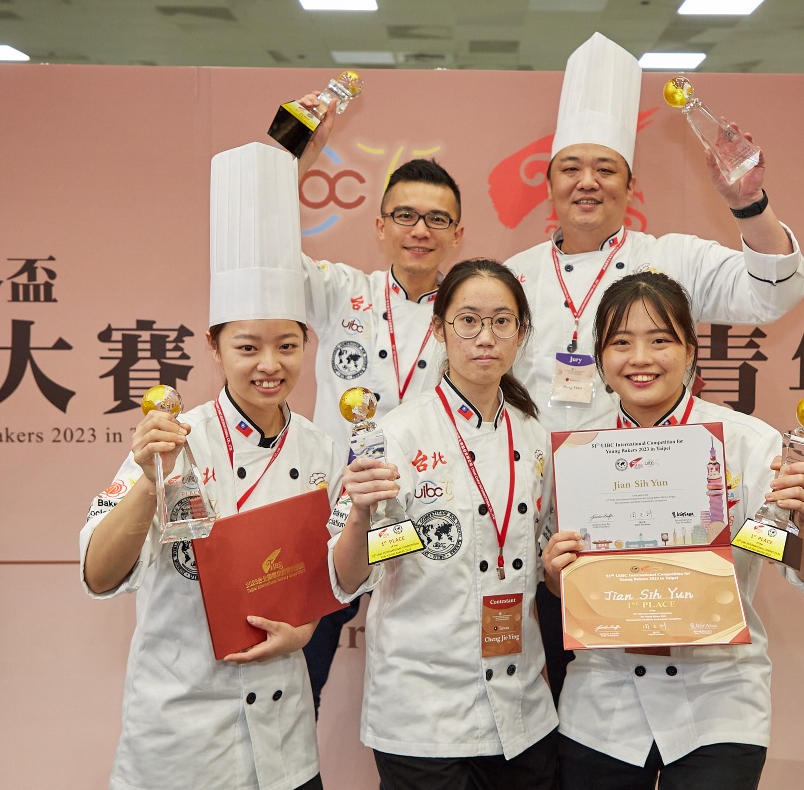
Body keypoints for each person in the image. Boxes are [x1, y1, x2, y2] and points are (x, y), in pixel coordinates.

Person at [505, 31, 804, 704]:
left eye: (606, 168)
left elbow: (776, 291)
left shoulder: (672, 257)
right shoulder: (511, 278)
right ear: (549, 182)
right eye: (571, 167)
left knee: (638, 698)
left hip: (653, 520)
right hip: (540, 528)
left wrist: (749, 204)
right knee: (544, 706)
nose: (588, 182)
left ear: (629, 184)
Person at [79, 143, 345, 790]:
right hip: (183, 743)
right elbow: (98, 573)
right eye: (248, 347)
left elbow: (332, 574)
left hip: (285, 744)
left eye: (287, 345)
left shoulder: (321, 448)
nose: (270, 365)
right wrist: (151, 483)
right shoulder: (173, 438)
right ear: (215, 347)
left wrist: (306, 629)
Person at [541, 271, 804, 790]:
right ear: (600, 357)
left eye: (660, 340)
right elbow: (561, 585)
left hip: (719, 703)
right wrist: (556, 574)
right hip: (602, 706)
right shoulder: (575, 450)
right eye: (621, 342)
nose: (640, 358)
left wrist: (803, 525)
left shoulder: (748, 442)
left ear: (689, 350)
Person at [328, 259, 559, 789]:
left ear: (521, 332)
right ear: (439, 328)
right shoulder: (396, 435)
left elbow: (544, 550)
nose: (486, 337)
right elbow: (347, 577)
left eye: (502, 322)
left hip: (522, 708)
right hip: (423, 715)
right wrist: (359, 514)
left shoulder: (533, 434)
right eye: (468, 320)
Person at [284, 97, 469, 712]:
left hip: (430, 518)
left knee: (428, 687)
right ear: (380, 225)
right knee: (298, 678)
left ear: (458, 234)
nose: (420, 230)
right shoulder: (342, 292)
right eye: (405, 215)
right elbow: (264, 249)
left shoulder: (472, 315)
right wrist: (294, 152)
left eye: (437, 219)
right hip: (338, 516)